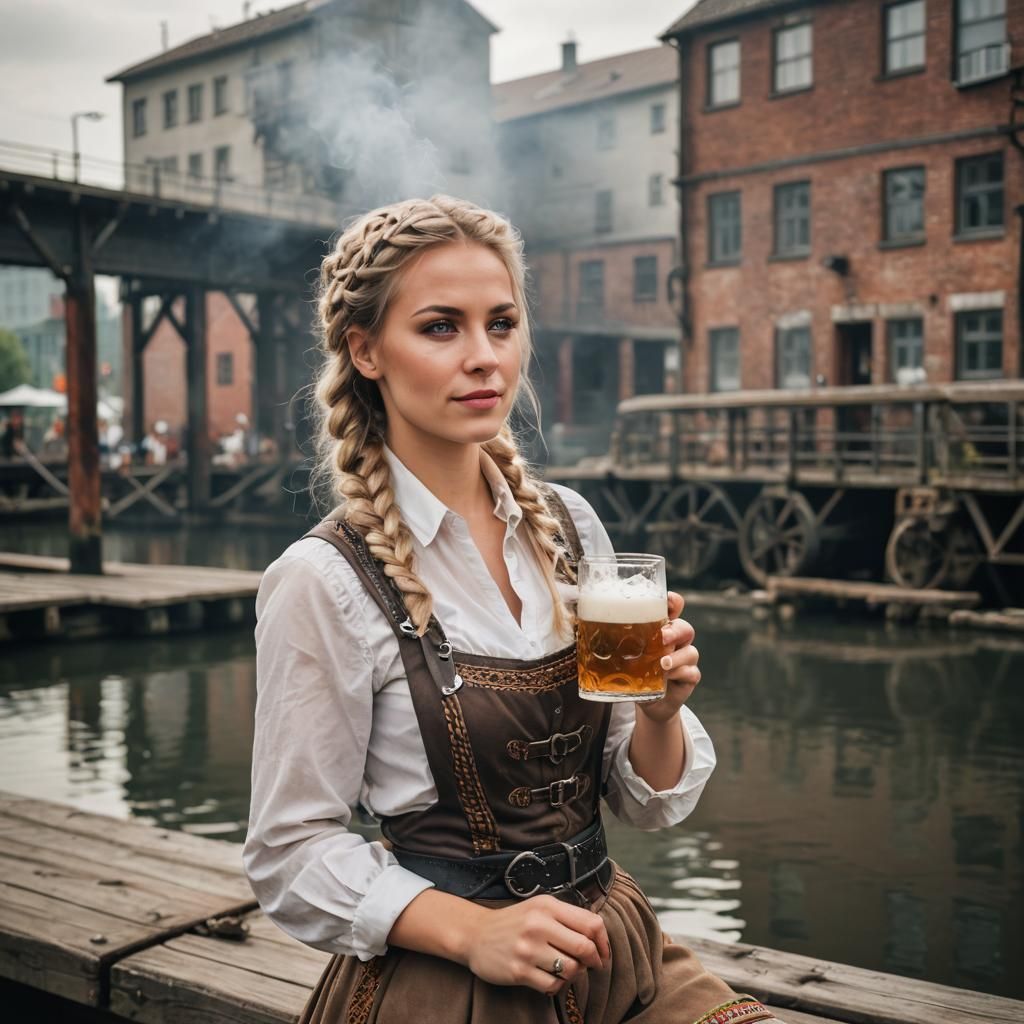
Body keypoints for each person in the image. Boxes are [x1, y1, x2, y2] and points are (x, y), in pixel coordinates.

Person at [243, 196, 780, 1024]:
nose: (484, 357)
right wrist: (469, 933)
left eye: (501, 323)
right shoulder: (324, 579)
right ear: (366, 350)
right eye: (440, 327)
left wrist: (664, 714)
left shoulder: (568, 527)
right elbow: (289, 854)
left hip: (613, 947)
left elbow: (644, 801)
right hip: (453, 982)